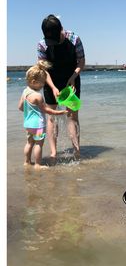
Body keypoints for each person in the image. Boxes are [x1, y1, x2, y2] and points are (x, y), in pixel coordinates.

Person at [37, 15, 85, 162]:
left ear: (61, 30)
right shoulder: (42, 44)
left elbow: (81, 61)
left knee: (72, 116)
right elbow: (42, 69)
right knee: (52, 117)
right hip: (50, 79)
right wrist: (52, 87)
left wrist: (72, 78)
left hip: (71, 78)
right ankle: (53, 153)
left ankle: (77, 151)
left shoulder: (74, 39)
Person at [18, 61, 68, 169]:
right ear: (34, 81)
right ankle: (37, 164)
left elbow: (20, 107)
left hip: (28, 124)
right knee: (38, 144)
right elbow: (47, 110)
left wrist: (30, 111)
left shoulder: (25, 92)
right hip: (38, 125)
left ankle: (26, 162)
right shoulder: (38, 96)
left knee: (29, 143)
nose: (43, 85)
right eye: (42, 82)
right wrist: (60, 112)